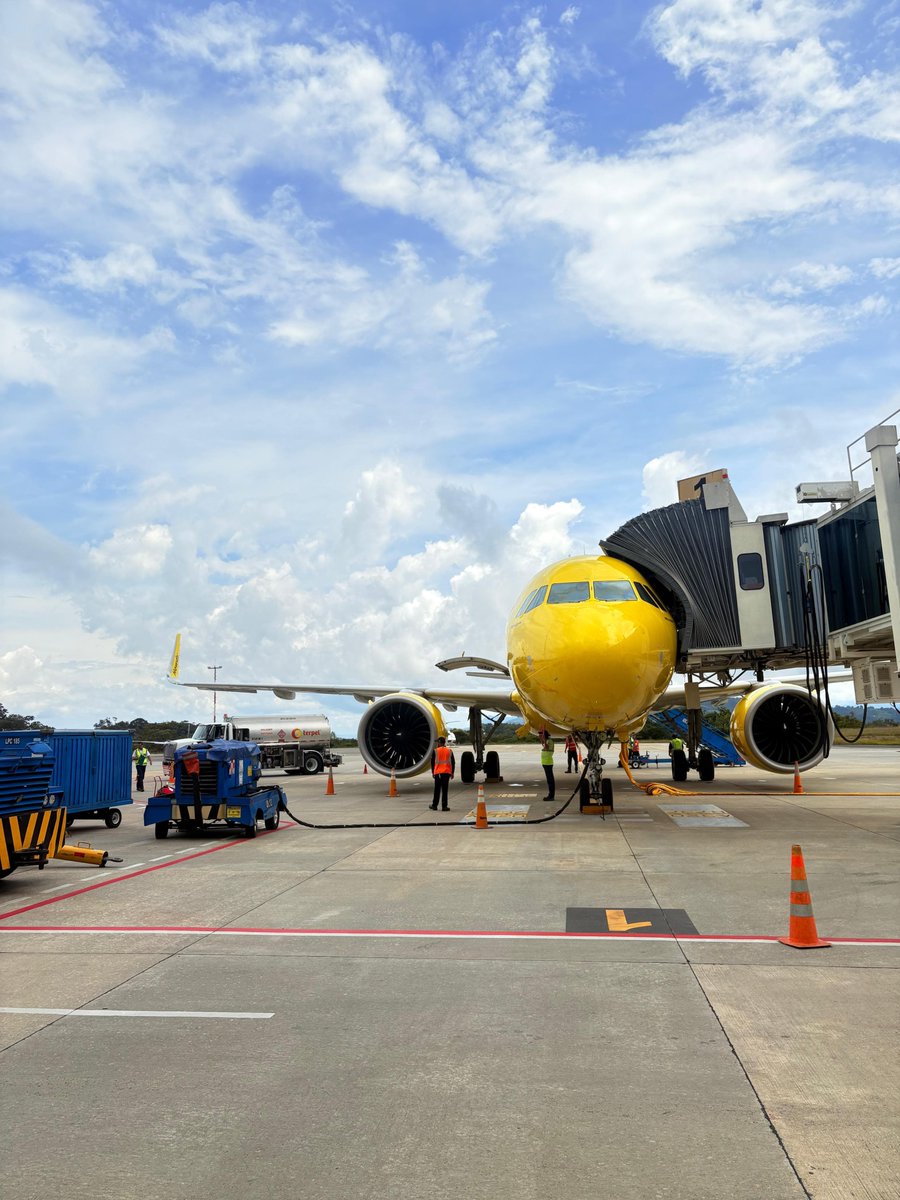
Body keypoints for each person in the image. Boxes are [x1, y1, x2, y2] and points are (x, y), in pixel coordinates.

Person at [429, 736, 455, 811]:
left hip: (438, 773)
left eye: (438, 742)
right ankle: (444, 806)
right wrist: (452, 773)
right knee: (445, 790)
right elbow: (452, 762)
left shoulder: (436, 751)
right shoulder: (449, 751)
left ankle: (434, 805)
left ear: (440, 743)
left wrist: (433, 773)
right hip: (447, 773)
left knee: (437, 790)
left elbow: (432, 763)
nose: (437, 743)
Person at [540, 730, 555, 802]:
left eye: (542, 735)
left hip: (548, 763)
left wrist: (543, 739)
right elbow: (543, 745)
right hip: (546, 763)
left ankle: (551, 795)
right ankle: (551, 795)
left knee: (550, 780)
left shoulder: (549, 741)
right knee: (549, 780)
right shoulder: (547, 741)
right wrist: (542, 739)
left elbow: (546, 748)